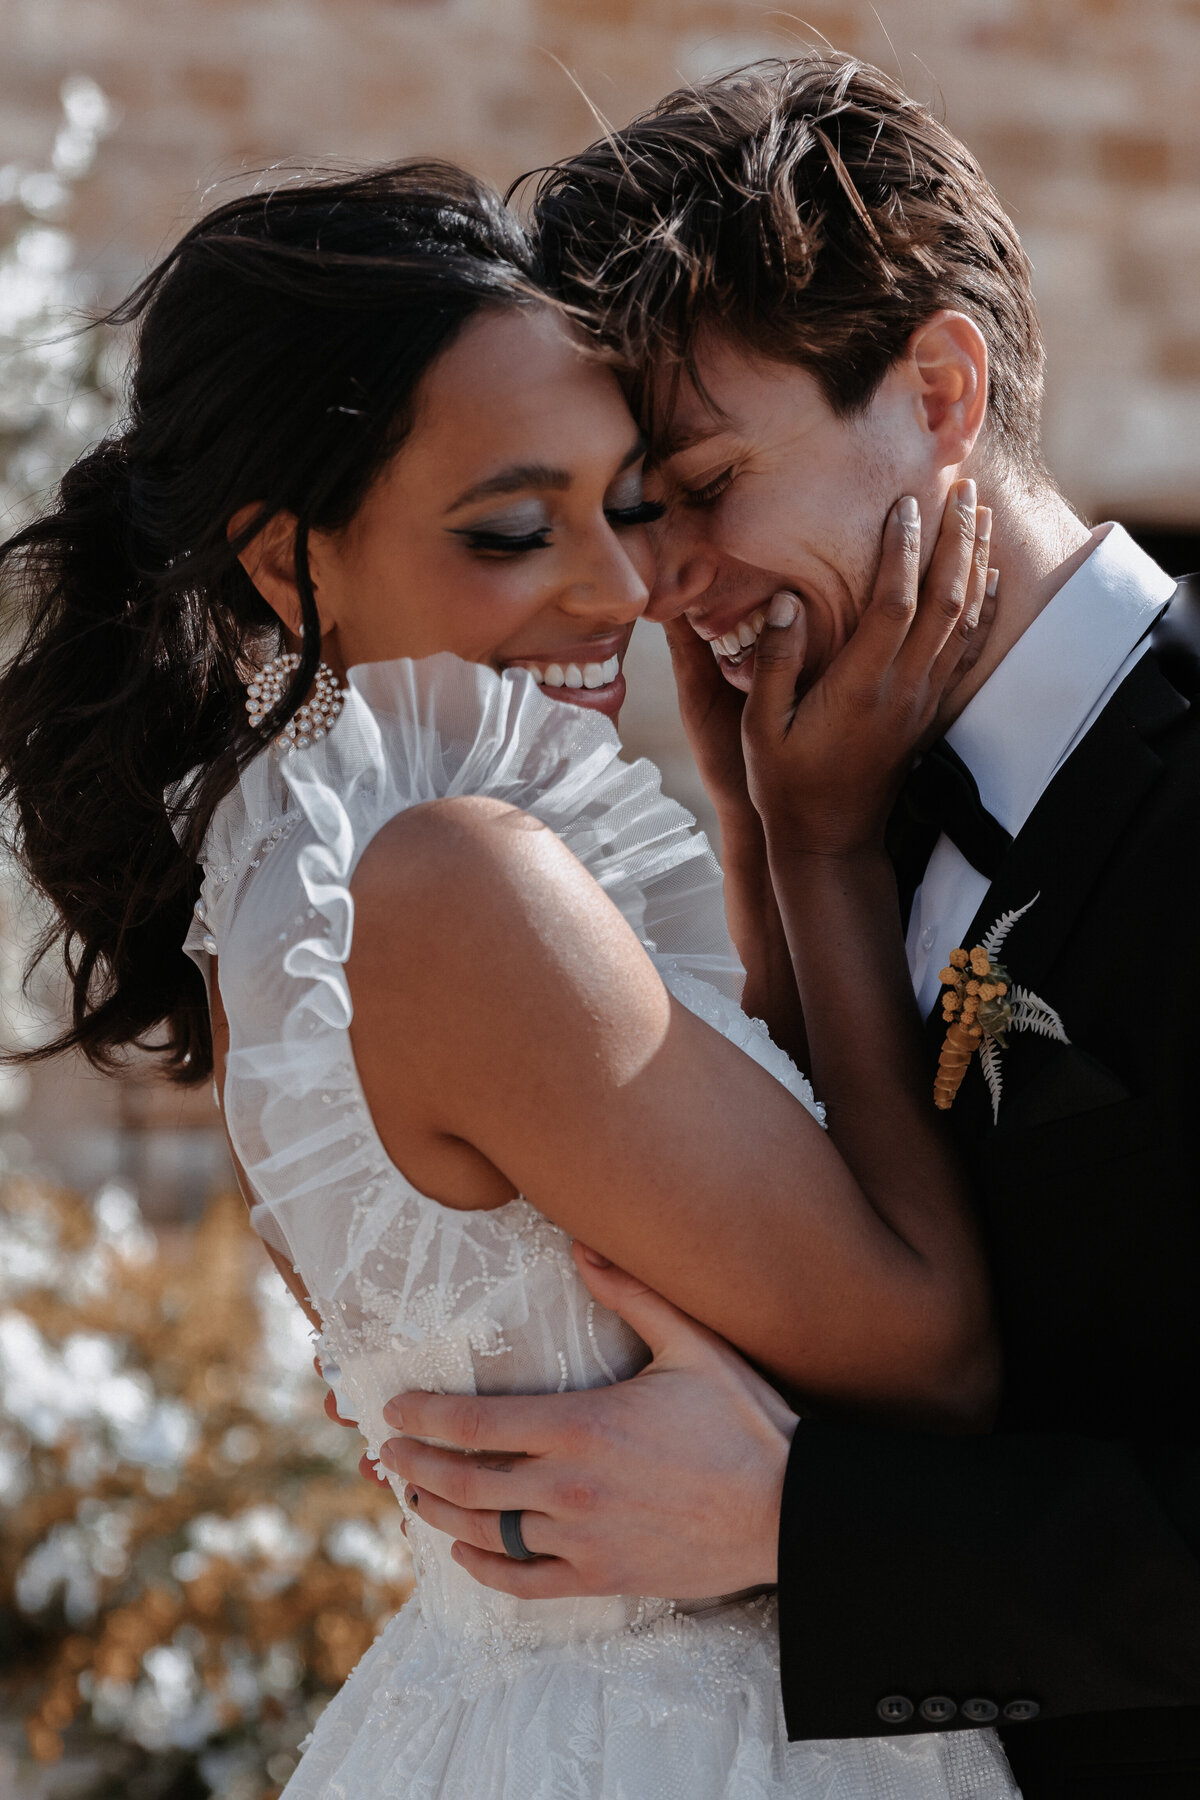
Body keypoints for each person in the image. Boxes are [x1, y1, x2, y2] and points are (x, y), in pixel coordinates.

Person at [0, 165, 1016, 1797]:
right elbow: (930, 1350)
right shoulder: (456, 886)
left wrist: (760, 852)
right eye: (510, 529)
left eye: (625, 503)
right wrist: (821, 856)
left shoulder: (295, 884)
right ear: (286, 565)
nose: (623, 589)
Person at [372, 55, 1200, 1800]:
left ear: (942, 390)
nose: (659, 582)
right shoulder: (825, 804)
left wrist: (798, 1523)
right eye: (624, 512)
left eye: (706, 484)